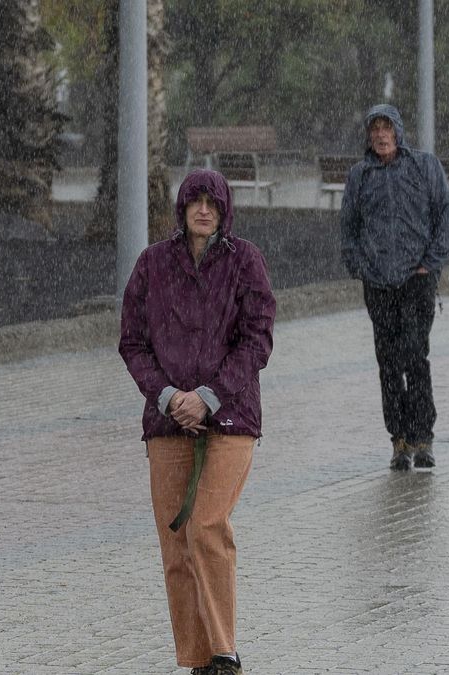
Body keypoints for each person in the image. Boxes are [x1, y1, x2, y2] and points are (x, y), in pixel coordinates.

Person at [119, 169, 276, 675]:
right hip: (167, 422)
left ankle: (224, 652)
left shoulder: (246, 261)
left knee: (206, 525)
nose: (203, 210)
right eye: (194, 201)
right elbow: (133, 342)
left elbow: (257, 339)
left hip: (231, 417)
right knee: (175, 542)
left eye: (212, 202)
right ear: (181, 208)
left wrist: (208, 397)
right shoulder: (152, 265)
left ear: (225, 208)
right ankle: (198, 658)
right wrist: (168, 397)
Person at [340, 103, 449, 471]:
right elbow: (348, 228)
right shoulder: (360, 175)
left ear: (399, 131)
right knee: (388, 362)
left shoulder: (424, 167)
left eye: (386, 128)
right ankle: (399, 439)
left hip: (417, 281)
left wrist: (429, 265)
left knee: (414, 356)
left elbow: (443, 218)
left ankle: (423, 437)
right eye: (374, 129)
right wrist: (359, 265)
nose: (381, 135)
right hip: (378, 284)